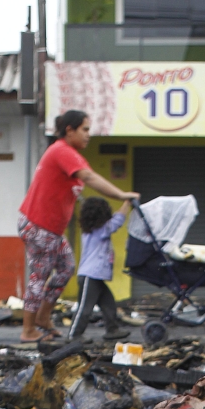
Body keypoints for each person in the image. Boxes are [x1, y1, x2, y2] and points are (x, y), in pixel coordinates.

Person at [18, 109, 139, 343]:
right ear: (69, 130)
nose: (88, 135)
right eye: (84, 129)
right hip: (38, 225)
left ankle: (43, 317)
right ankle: (28, 329)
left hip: (51, 230)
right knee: (40, 276)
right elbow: (90, 177)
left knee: (66, 268)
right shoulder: (62, 150)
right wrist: (121, 194)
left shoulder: (69, 154)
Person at [68, 196, 131, 341]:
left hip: (96, 276)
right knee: (85, 308)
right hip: (90, 275)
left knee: (108, 303)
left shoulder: (94, 230)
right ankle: (74, 334)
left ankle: (112, 330)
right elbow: (117, 221)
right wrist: (127, 202)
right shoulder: (98, 230)